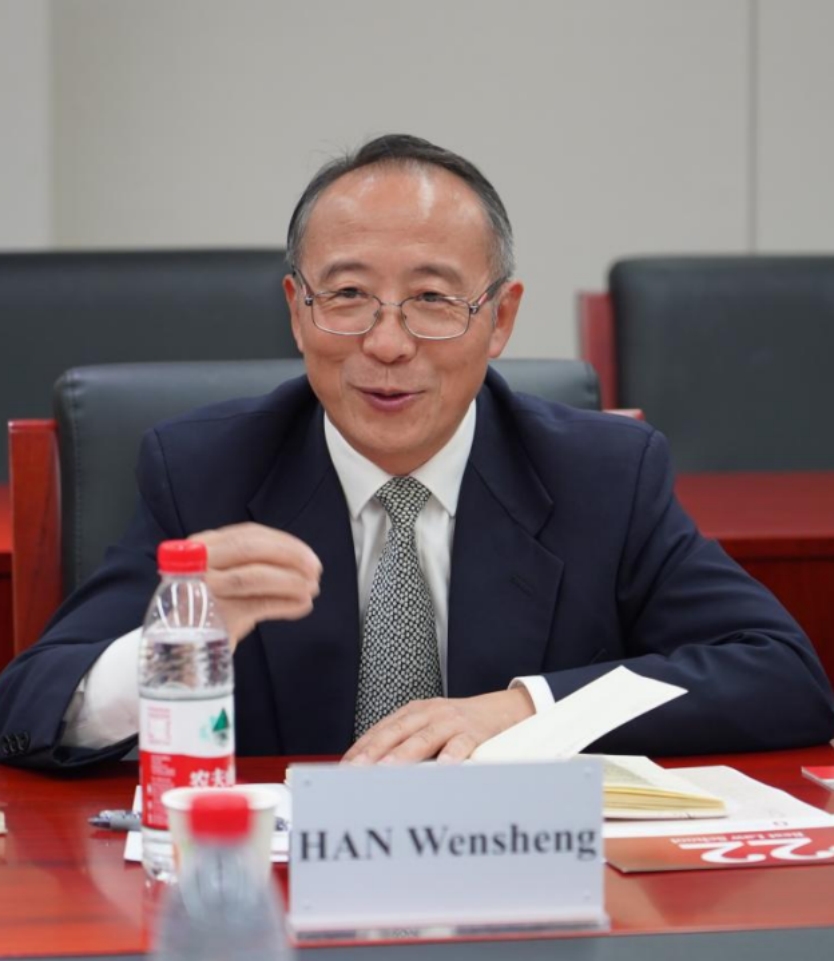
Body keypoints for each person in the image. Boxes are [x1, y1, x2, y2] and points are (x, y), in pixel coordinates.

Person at [1, 134, 833, 772]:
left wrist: (526, 709)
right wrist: (172, 648)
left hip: (522, 895)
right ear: (297, 309)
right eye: (348, 295)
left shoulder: (602, 475)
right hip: (278, 896)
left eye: (433, 299)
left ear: (500, 318)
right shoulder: (204, 470)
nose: (388, 344)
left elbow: (782, 673)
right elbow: (27, 706)